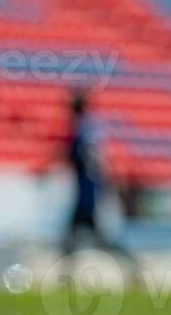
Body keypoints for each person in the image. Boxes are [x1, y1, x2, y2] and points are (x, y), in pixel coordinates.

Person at [59, 90, 141, 281]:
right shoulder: (90, 131)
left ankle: (133, 266)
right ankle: (65, 275)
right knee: (73, 239)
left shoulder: (82, 133)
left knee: (98, 240)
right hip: (87, 196)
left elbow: (90, 164)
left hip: (88, 197)